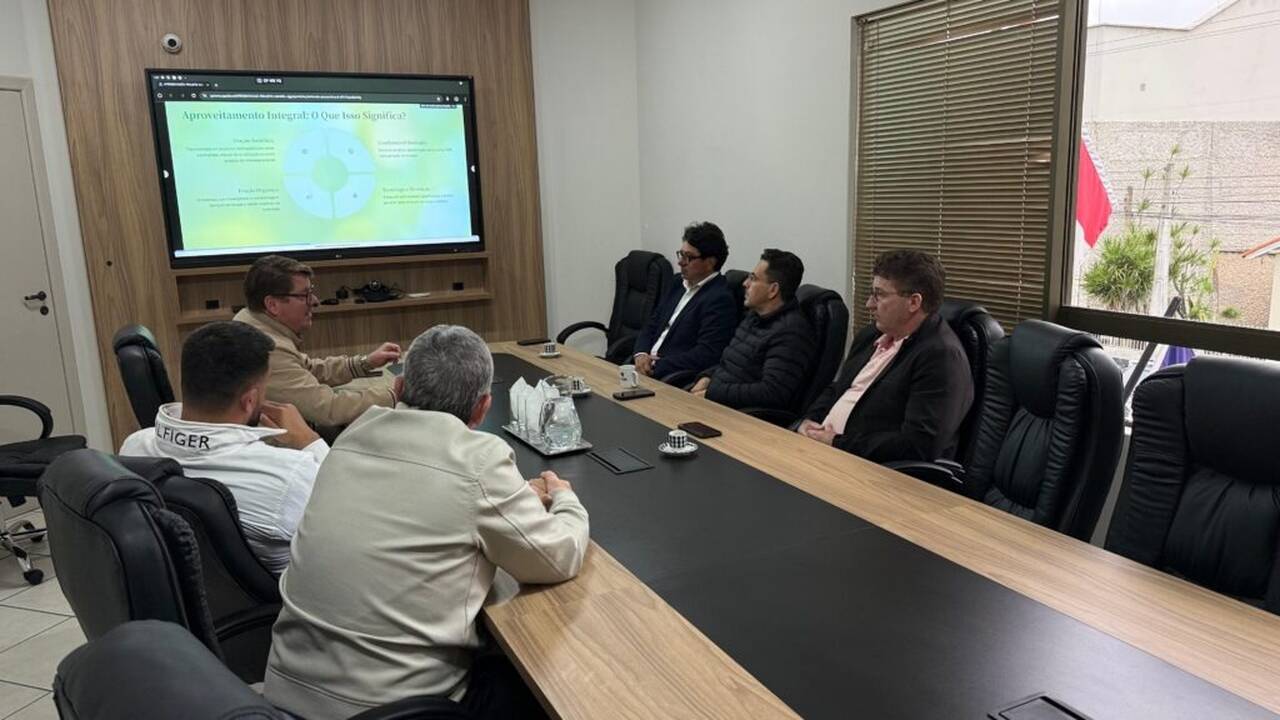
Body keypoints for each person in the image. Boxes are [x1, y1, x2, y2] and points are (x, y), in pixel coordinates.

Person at [264, 324, 589, 720]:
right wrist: (565, 499)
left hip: (286, 694)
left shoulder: (351, 438)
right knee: (547, 678)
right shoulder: (479, 460)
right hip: (394, 710)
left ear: (399, 388)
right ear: (483, 407)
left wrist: (508, 497)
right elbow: (556, 558)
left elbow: (420, 496)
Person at [119, 321, 326, 575]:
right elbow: (355, 520)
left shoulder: (134, 448)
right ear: (250, 400)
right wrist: (310, 441)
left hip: (184, 592)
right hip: (282, 598)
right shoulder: (291, 475)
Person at [799, 249, 973, 463]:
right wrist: (810, 421)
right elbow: (837, 389)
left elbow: (918, 446)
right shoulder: (871, 335)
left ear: (914, 302)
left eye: (879, 295)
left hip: (867, 468)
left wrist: (836, 442)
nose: (869, 304)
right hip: (822, 450)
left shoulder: (941, 357)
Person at [233, 254, 400, 430]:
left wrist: (365, 362)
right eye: (304, 295)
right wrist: (394, 394)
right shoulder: (268, 348)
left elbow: (307, 370)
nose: (314, 301)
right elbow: (328, 409)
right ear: (272, 305)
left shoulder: (252, 320)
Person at [691, 249, 815, 413]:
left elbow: (771, 392)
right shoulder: (754, 316)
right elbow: (729, 364)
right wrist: (706, 377)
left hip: (738, 415)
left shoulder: (792, 333)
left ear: (773, 290)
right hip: (713, 401)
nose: (745, 283)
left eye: (753, 279)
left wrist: (712, 394)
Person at [632, 222, 738, 381]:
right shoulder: (677, 283)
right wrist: (640, 354)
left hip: (670, 377)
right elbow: (652, 324)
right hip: (643, 368)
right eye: (681, 254)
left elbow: (706, 354)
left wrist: (656, 365)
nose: (681, 262)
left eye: (688, 257)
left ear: (710, 263)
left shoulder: (720, 299)